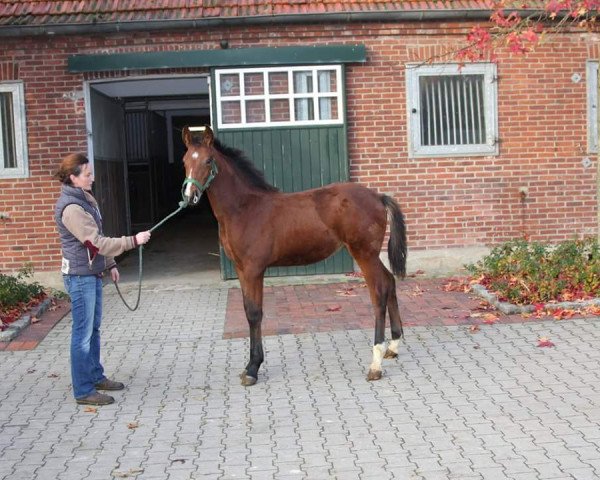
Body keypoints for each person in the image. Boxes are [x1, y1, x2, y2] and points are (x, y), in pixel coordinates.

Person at [54, 153, 151, 406]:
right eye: (87, 174)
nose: (92, 178)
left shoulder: (85, 199)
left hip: (92, 273)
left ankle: (96, 376)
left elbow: (97, 236)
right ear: (73, 178)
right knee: (82, 334)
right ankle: (84, 390)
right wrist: (133, 241)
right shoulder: (72, 209)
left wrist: (110, 263)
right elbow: (95, 241)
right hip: (80, 277)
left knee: (93, 330)